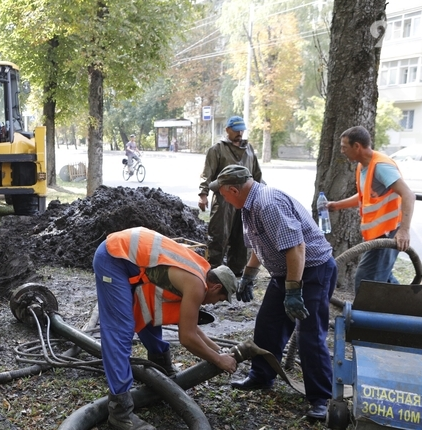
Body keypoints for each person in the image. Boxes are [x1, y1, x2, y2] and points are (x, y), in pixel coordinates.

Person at [211, 165, 337, 421]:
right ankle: (261, 376)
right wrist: (249, 274)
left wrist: (293, 291)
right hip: (286, 272)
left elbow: (296, 248)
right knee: (268, 325)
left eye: (223, 193)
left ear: (234, 190)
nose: (222, 198)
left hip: (312, 270)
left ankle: (321, 397)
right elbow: (262, 243)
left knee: (309, 335)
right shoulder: (249, 205)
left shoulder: (267, 204)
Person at [95, 227, 238, 430]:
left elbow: (190, 327)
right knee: (120, 331)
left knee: (151, 313)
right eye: (220, 299)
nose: (215, 304)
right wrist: (218, 360)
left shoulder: (200, 272)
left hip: (128, 258)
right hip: (113, 257)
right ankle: (120, 413)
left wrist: (219, 351)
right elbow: (187, 337)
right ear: (215, 287)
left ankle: (162, 370)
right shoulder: (196, 285)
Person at [326, 126, 416, 292]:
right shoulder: (364, 166)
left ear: (357, 146)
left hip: (389, 233)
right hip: (378, 233)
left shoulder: (381, 166)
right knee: (382, 278)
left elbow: (409, 195)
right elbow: (364, 196)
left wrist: (404, 231)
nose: (342, 151)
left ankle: (369, 315)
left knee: (366, 281)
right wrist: (337, 205)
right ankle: (409, 307)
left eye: (344, 147)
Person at [198, 116, 262, 279]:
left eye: (242, 130)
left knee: (242, 236)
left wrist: (260, 194)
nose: (239, 133)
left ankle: (237, 271)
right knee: (219, 234)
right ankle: (214, 270)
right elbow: (207, 173)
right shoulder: (217, 149)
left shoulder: (249, 150)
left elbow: (256, 174)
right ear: (227, 130)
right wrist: (203, 194)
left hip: (246, 199)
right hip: (223, 200)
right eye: (236, 130)